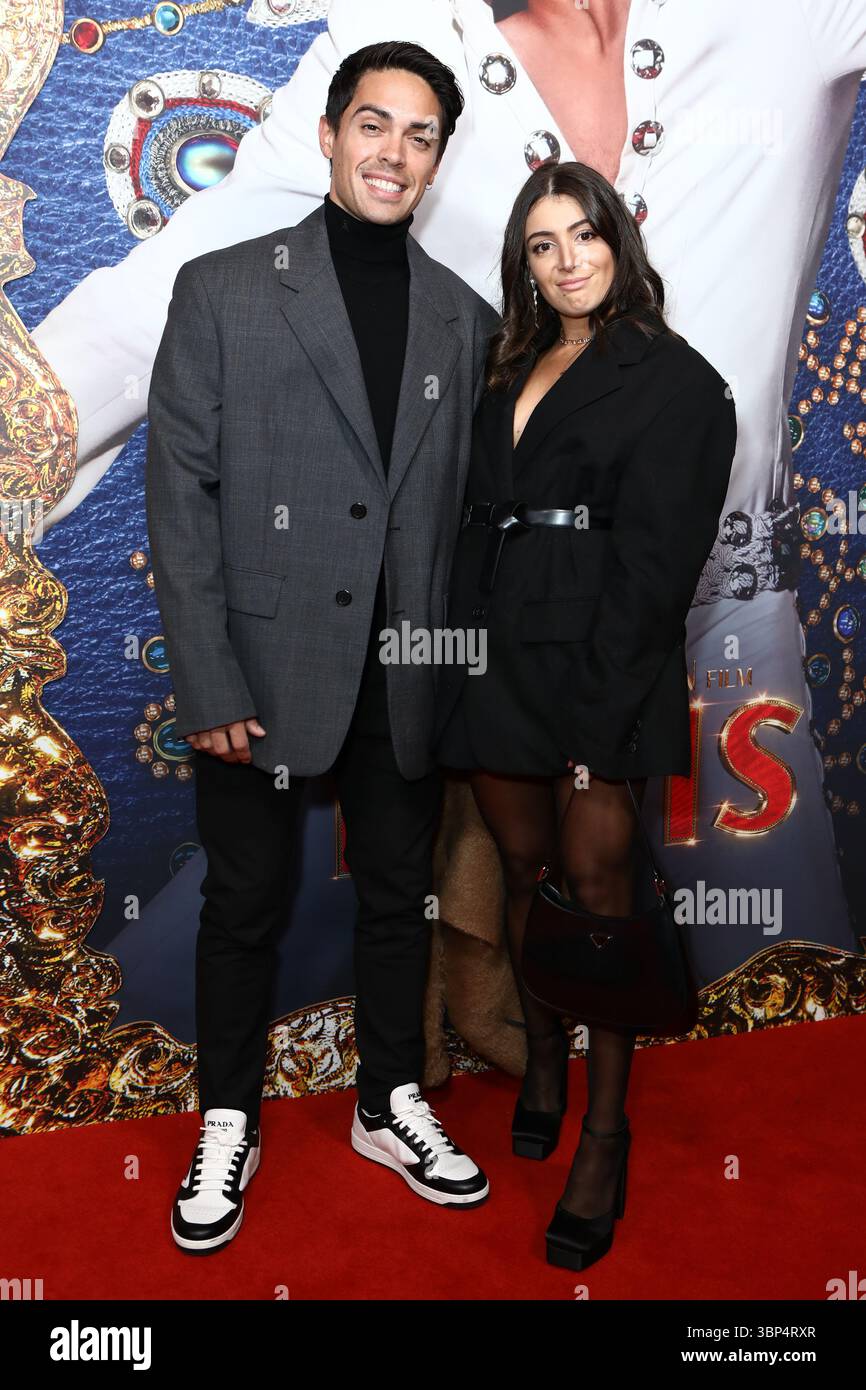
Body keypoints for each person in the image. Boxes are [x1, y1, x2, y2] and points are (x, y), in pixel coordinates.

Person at [31, 0, 862, 1013]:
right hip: (478, 632)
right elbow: (161, 306)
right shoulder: (392, 37)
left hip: (717, 635)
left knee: (788, 1017)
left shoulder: (788, 15)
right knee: (197, 1005)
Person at [146, 40, 500, 1254]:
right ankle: (228, 1116)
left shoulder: (466, 319)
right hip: (254, 676)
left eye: (418, 134)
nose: (392, 150)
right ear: (332, 134)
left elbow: (462, 526)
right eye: (372, 124)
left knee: (396, 899)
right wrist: (207, 675)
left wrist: (448, 674)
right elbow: (177, 498)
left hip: (399, 677)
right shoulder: (225, 288)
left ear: (439, 158)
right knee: (243, 904)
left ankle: (386, 1098)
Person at [433, 161, 737, 1270]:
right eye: (539, 246)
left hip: (600, 669)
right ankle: (546, 1062)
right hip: (498, 656)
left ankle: (603, 1135)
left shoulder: (677, 383)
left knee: (599, 902)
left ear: (620, 238)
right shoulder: (505, 364)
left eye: (582, 236)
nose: (564, 262)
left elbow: (657, 574)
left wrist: (596, 728)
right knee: (520, 877)